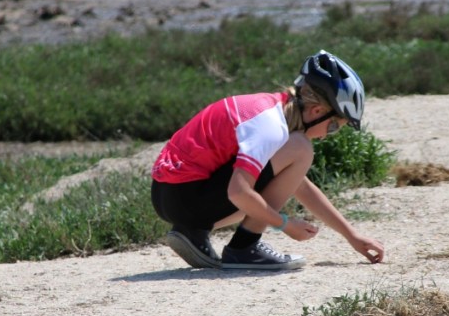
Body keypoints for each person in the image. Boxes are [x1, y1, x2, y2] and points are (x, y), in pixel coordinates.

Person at [150, 51, 385, 271]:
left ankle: (192, 233)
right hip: (187, 198)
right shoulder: (271, 127)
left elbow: (297, 185)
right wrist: (285, 224)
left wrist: (351, 235)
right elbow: (239, 193)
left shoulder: (272, 108)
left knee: (284, 164)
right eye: (333, 126)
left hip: (166, 196)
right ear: (316, 111)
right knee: (302, 148)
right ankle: (245, 247)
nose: (326, 134)